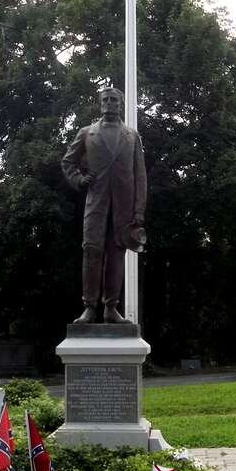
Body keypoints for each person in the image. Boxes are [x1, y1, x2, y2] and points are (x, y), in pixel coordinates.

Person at [61, 87, 147, 323]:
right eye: (105, 99)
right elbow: (68, 161)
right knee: (91, 251)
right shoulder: (87, 133)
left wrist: (138, 211)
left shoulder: (132, 136)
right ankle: (89, 306)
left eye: (114, 100)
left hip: (123, 208)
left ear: (120, 104)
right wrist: (79, 179)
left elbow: (140, 176)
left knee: (116, 255)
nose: (109, 103)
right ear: (100, 104)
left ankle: (111, 307)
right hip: (96, 204)